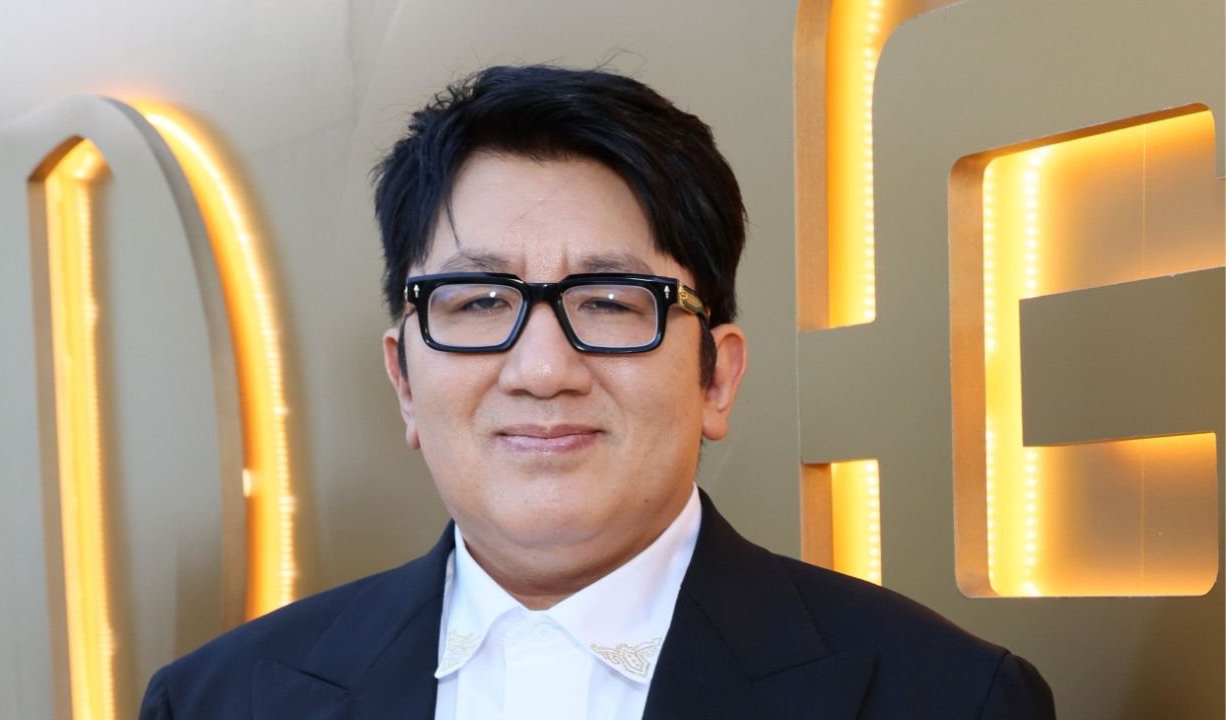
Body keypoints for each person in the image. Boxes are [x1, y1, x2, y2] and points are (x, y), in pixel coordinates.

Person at [140, 64, 1054, 719]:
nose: (542, 370)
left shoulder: (950, 697)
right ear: (404, 381)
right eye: (478, 301)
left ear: (717, 376)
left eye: (612, 302)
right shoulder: (218, 700)